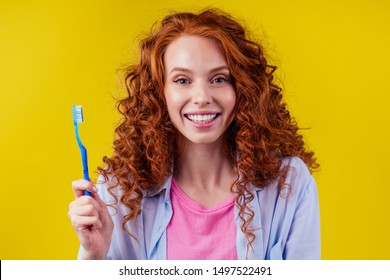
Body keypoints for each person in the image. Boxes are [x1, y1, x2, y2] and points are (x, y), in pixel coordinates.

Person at [68, 8, 320, 260]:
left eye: (219, 79)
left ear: (243, 88)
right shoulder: (119, 191)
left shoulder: (290, 183)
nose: (202, 98)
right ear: (159, 92)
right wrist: (93, 256)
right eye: (182, 80)